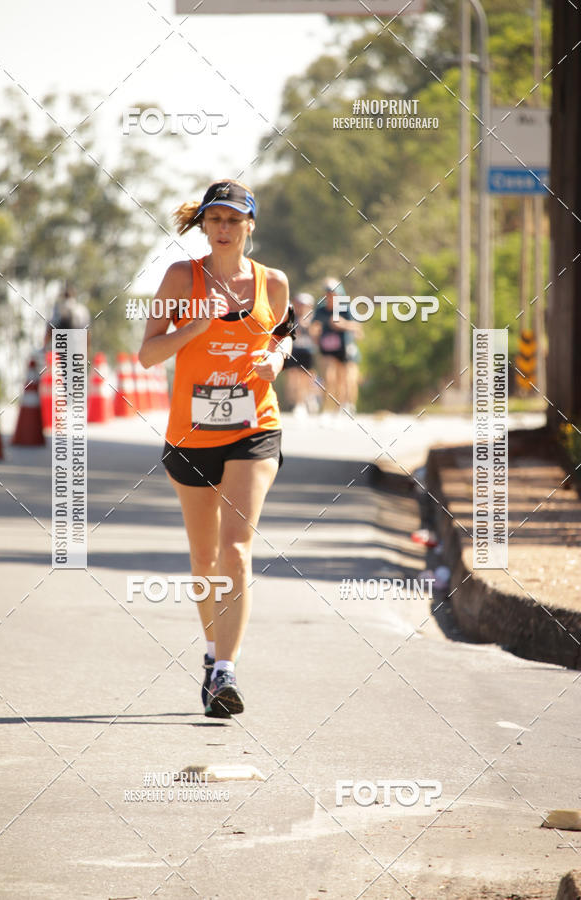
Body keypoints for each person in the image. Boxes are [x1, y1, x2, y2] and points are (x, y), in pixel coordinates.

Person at [138, 180, 293, 718]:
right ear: (203, 225)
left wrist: (278, 358)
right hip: (191, 434)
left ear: (251, 225)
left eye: (235, 220)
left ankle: (227, 671)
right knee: (204, 560)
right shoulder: (183, 278)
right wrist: (193, 327)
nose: (225, 229)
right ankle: (211, 655)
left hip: (255, 428)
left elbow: (282, 333)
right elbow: (147, 354)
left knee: (235, 549)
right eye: (216, 220)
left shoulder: (273, 282)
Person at [311, 279, 362, 415]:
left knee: (346, 379)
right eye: (327, 294)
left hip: (345, 349)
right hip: (327, 349)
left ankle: (346, 405)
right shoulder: (321, 309)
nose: (330, 297)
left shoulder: (346, 308)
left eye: (333, 294)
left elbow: (358, 329)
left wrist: (342, 324)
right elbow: (313, 326)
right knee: (329, 377)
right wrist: (315, 334)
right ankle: (328, 408)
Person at [282, 292, 319, 416]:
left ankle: (306, 399)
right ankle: (298, 403)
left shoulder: (313, 318)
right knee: (294, 378)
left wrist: (309, 326)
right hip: (295, 350)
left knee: (305, 379)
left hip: (308, 351)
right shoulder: (291, 317)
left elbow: (316, 337)